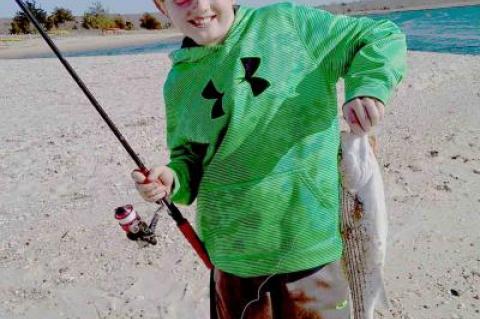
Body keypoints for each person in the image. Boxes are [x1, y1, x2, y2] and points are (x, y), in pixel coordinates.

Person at [131, 0, 407, 318]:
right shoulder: (179, 82)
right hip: (233, 260)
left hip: (311, 251)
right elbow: (188, 158)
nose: (200, 6)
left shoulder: (289, 24)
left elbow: (379, 35)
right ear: (163, 6)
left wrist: (369, 88)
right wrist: (171, 177)